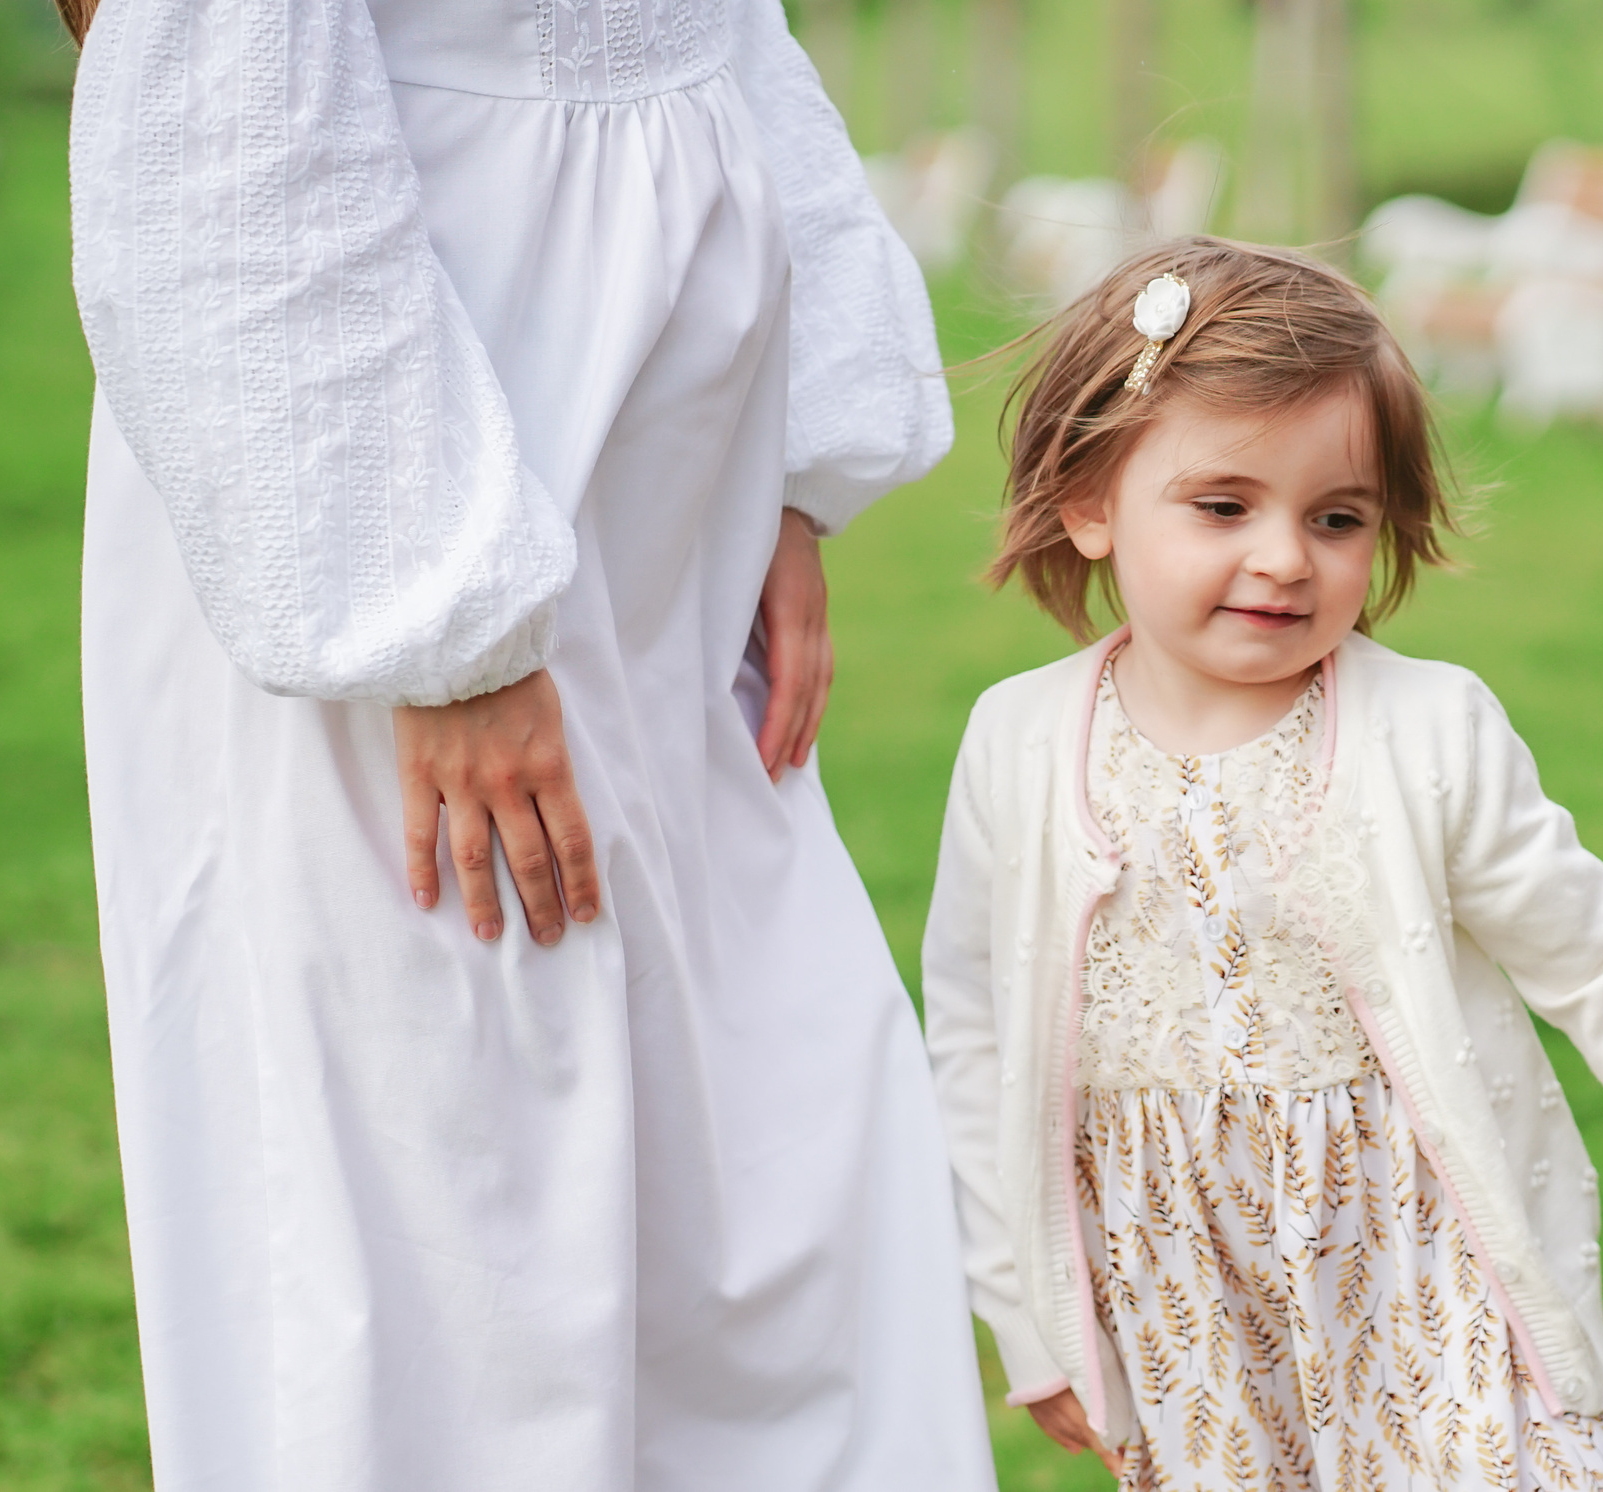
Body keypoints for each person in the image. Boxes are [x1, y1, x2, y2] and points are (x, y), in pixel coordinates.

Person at [62, 0, 994, 1483]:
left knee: (775, 1168)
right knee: (467, 1207)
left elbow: (729, 39)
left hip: (669, 495)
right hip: (391, 451)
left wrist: (793, 466)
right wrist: (431, 616)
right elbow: (226, 96)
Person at [920, 238, 1603, 1490]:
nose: (1284, 556)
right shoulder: (1015, 741)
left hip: (1431, 1277)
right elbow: (974, 1034)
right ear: (1089, 500)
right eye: (1224, 506)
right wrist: (1029, 1313)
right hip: (1189, 1317)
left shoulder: (1425, 731)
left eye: (1336, 519)